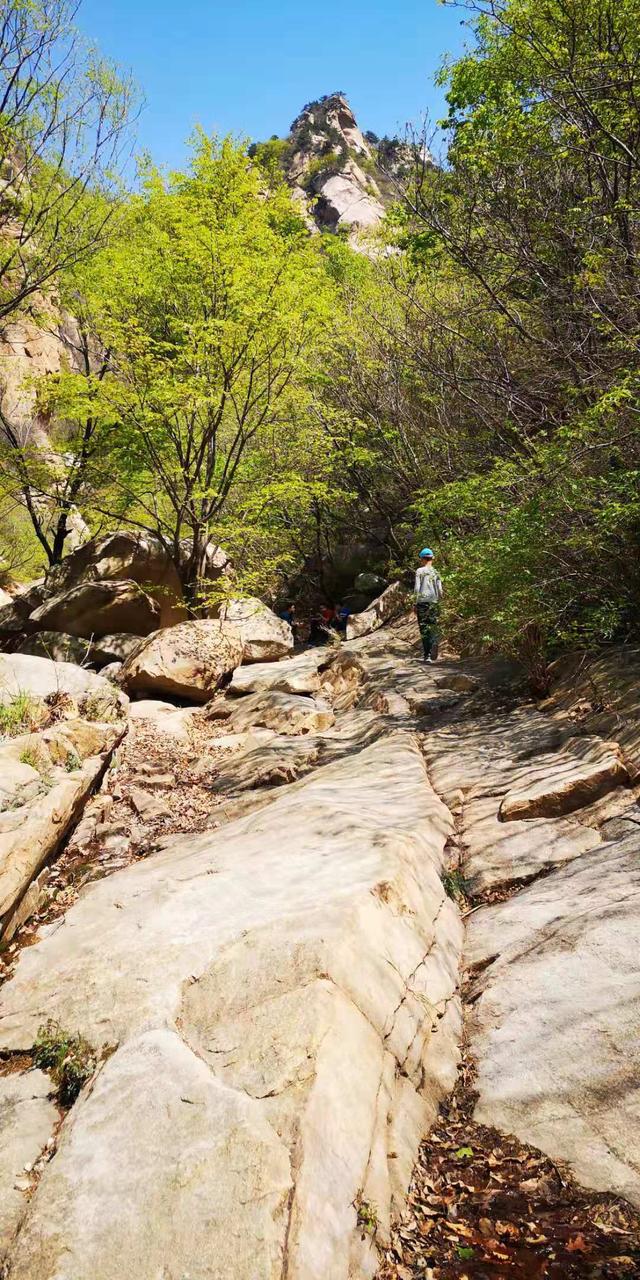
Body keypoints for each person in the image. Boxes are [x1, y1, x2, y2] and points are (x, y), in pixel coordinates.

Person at [414, 547, 443, 662]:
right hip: (434, 602)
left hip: (422, 603)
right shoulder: (436, 572)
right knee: (433, 626)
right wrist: (439, 602)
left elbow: (417, 588)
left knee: (424, 628)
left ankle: (427, 655)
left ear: (422, 559)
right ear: (433, 558)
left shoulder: (419, 571)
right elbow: (440, 590)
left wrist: (414, 603)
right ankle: (434, 644)